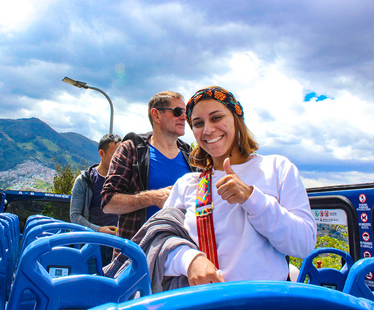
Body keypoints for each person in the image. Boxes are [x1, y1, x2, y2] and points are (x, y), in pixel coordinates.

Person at [159, 86, 317, 287]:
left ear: (236, 119)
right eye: (198, 123)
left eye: (216, 118)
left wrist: (253, 199)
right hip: (205, 301)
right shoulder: (187, 185)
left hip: (266, 300)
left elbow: (303, 244)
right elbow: (159, 242)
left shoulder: (277, 168)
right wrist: (189, 260)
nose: (207, 129)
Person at [101, 91, 197, 240]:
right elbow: (108, 203)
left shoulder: (191, 156)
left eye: (186, 112)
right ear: (156, 115)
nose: (184, 117)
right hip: (138, 253)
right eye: (178, 111)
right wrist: (153, 197)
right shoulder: (131, 149)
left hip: (183, 253)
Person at [70, 133, 122, 266]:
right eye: (115, 155)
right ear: (102, 153)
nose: (119, 159)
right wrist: (98, 229)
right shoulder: (85, 181)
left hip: (119, 245)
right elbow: (75, 216)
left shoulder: (124, 181)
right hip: (93, 244)